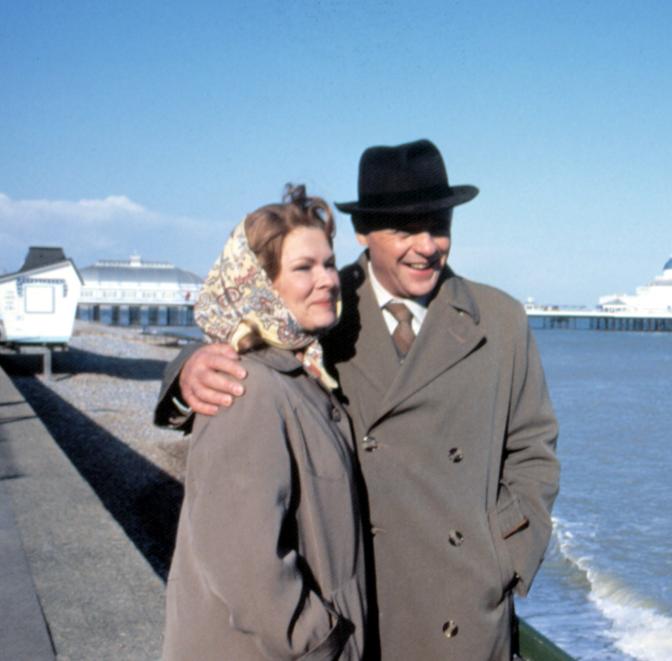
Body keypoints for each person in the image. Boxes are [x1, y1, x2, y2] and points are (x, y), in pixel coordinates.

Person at [157, 140, 559, 660]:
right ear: (364, 233)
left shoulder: (500, 320)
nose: (427, 245)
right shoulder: (322, 305)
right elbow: (249, 351)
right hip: (358, 611)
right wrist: (186, 370)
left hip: (464, 608)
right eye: (404, 230)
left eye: (438, 226)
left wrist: (506, 556)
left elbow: (533, 448)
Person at [162, 185, 366, 660]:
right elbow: (243, 563)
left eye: (329, 263)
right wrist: (324, 642)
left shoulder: (301, 374)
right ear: (260, 284)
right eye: (303, 268)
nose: (328, 280)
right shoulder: (247, 387)